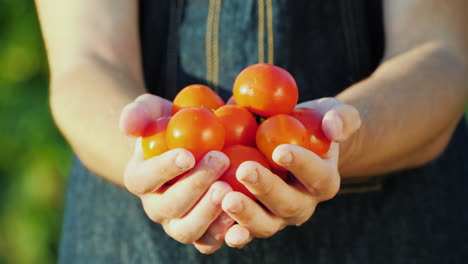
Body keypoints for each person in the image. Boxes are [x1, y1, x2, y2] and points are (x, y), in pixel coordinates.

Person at [36, 0, 467, 263]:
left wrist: (344, 135)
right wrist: (145, 157)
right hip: (132, 240)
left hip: (390, 234)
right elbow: (85, 61)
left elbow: (439, 53)